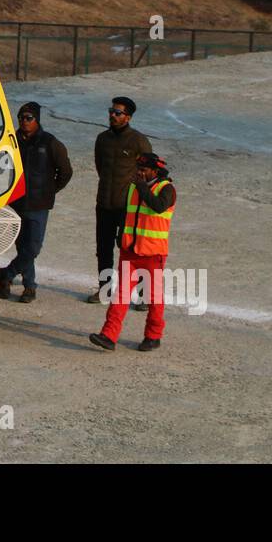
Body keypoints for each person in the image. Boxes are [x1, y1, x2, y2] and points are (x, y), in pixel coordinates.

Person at [89, 153, 177, 352]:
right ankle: (108, 335)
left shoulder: (167, 189)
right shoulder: (134, 188)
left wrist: (142, 187)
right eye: (138, 169)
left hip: (153, 254)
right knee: (120, 295)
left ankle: (153, 336)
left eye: (144, 170)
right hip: (130, 252)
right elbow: (125, 213)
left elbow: (158, 207)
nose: (139, 173)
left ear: (155, 171)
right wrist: (121, 236)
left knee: (154, 299)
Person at [0, 102, 72, 303]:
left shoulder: (50, 143)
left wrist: (50, 190)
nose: (24, 121)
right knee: (23, 247)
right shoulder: (12, 141)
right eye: (21, 117)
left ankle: (7, 273)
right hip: (17, 203)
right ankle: (29, 286)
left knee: (34, 247)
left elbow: (66, 171)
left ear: (37, 120)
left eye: (28, 118)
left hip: (39, 205)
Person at [88, 96, 151, 304]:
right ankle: (105, 290)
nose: (112, 115)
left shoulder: (138, 140)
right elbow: (100, 167)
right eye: (111, 111)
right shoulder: (102, 139)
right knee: (103, 250)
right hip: (104, 204)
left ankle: (142, 294)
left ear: (128, 117)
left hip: (128, 207)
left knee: (131, 250)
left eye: (118, 113)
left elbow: (148, 172)